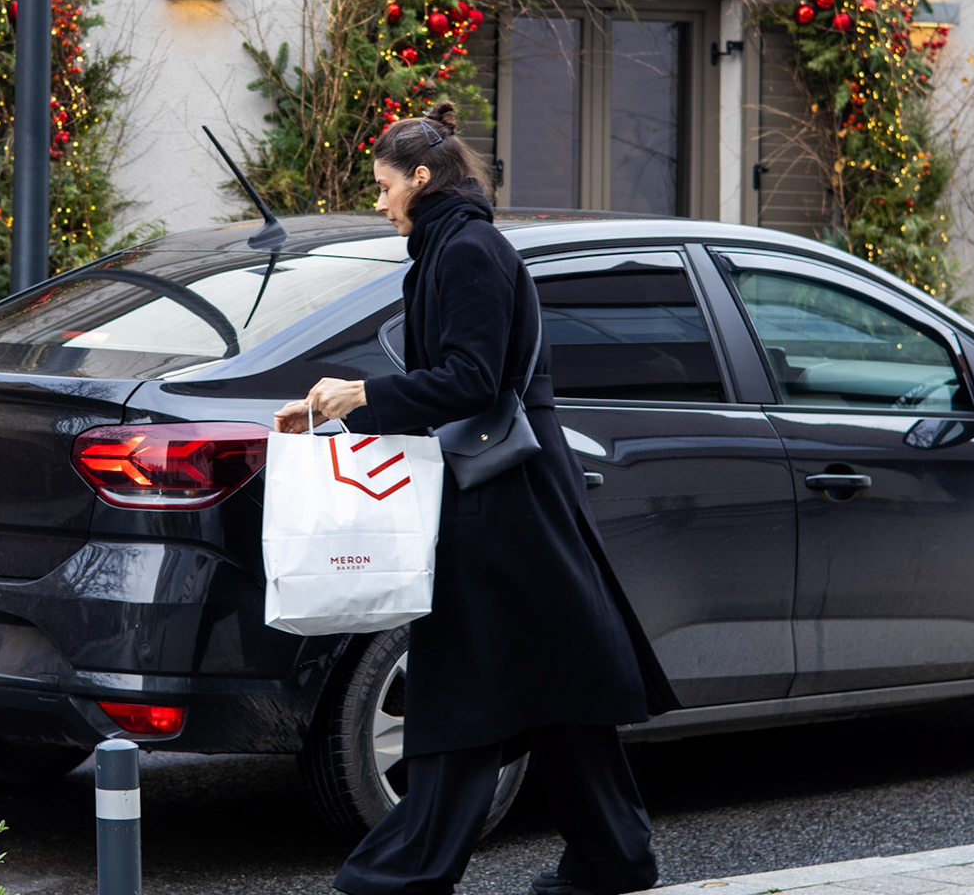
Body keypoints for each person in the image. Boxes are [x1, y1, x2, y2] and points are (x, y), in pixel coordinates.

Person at [274, 100, 680, 895]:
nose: (379, 200)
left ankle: (402, 876)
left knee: (466, 689)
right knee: (552, 686)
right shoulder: (449, 249)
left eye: (385, 185)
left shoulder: (465, 254)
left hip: (503, 508)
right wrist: (338, 405)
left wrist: (357, 395)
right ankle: (614, 858)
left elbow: (472, 380)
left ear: (422, 178)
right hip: (510, 502)